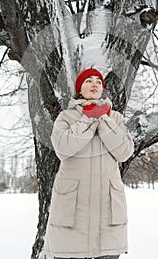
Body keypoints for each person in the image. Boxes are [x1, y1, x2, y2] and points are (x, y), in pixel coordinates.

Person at [43, 68, 134, 259]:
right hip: (73, 212)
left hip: (108, 213)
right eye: (88, 81)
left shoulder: (115, 118)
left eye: (98, 82)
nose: (94, 84)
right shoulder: (66, 117)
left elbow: (124, 152)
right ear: (79, 89)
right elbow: (62, 147)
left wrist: (103, 120)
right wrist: (88, 119)